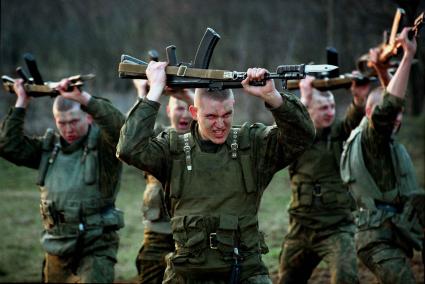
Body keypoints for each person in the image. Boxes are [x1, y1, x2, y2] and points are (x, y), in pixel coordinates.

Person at [116, 61, 315, 283]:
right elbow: (128, 148)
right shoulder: (172, 150)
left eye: (227, 115)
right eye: (211, 116)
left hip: (244, 270)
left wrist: (273, 96)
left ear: (233, 107)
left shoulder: (253, 145)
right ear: (194, 112)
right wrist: (154, 91)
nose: (220, 124)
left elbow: (302, 136)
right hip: (188, 273)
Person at [0, 77, 125, 283]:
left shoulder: (105, 147)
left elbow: (121, 128)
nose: (68, 129)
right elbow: (8, 146)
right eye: (62, 123)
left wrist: (85, 99)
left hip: (96, 245)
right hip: (57, 244)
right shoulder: (49, 149)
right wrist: (22, 101)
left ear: (89, 118)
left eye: (74, 121)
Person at [340, 27, 424, 283]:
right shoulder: (371, 137)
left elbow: (389, 103)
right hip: (377, 239)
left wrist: (380, 69)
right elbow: (389, 106)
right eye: (391, 116)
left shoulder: (377, 138)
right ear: (368, 113)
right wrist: (408, 56)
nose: (397, 120)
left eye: (400, 116)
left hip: (394, 228)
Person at [277, 71, 369, 284]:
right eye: (323, 108)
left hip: (336, 228)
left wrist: (359, 99)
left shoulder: (340, 133)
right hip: (301, 227)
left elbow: (353, 121)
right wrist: (305, 98)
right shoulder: (296, 138)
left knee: (346, 277)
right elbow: (287, 125)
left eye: (332, 107)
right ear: (308, 110)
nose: (330, 112)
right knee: (287, 280)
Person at [132, 78, 194, 284]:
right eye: (178, 109)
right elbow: (135, 133)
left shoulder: (206, 141)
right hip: (157, 233)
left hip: (192, 233)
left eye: (188, 109)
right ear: (168, 111)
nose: (184, 115)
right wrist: (144, 90)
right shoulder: (157, 138)